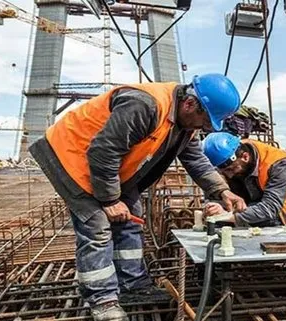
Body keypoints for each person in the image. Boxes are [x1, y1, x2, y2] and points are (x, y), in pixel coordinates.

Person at [29, 74, 247, 321]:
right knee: (97, 225)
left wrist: (222, 190)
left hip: (111, 167)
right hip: (72, 158)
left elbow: (196, 160)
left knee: (132, 217)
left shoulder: (186, 123)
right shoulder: (145, 105)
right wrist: (110, 200)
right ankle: (102, 300)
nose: (205, 128)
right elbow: (103, 151)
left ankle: (133, 284)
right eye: (205, 121)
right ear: (189, 104)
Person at [201, 132, 286, 227]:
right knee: (218, 222)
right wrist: (215, 207)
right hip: (262, 206)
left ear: (245, 157)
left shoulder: (279, 165)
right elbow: (217, 197)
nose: (228, 176)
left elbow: (270, 209)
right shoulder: (229, 157)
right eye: (224, 172)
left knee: (257, 220)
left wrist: (227, 215)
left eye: (231, 170)